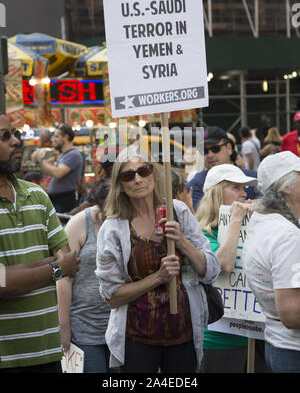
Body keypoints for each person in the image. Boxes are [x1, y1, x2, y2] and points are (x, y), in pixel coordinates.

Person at [95, 145, 220, 373]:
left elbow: (210, 270)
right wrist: (158, 277)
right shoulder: (113, 228)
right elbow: (111, 296)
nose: (138, 179)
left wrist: (182, 241)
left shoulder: (178, 212)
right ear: (120, 185)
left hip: (184, 333)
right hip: (137, 338)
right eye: (128, 175)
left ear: (154, 173)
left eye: (144, 170)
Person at [0, 114, 80, 373]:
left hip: (46, 351)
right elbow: (2, 283)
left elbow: (70, 261)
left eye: (16, 134)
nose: (15, 142)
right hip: (6, 356)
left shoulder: (36, 195)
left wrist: (20, 273)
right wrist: (54, 268)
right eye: (5, 136)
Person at [195, 164, 256, 372]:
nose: (243, 193)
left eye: (244, 188)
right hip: (216, 340)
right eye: (236, 188)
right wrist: (236, 220)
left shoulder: (250, 224)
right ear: (216, 193)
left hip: (250, 335)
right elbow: (223, 265)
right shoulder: (202, 233)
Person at [244, 151, 300, 373]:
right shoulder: (286, 236)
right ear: (286, 187)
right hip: (294, 351)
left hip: (279, 345)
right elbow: (292, 313)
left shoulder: (264, 221)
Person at [57, 183, 111, 373]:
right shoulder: (81, 222)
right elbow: (64, 277)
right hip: (84, 329)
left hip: (122, 328)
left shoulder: (130, 220)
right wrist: (63, 326)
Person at [186, 126, 260, 211]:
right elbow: (203, 217)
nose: (210, 155)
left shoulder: (254, 178)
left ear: (229, 148)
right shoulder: (195, 185)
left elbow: (272, 205)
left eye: (215, 149)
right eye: (204, 151)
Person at [32, 124, 83, 213]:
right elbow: (50, 171)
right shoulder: (64, 155)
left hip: (65, 200)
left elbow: (58, 173)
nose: (54, 139)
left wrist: (40, 160)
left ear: (66, 137)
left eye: (57, 136)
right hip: (58, 199)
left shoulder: (73, 155)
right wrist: (39, 162)